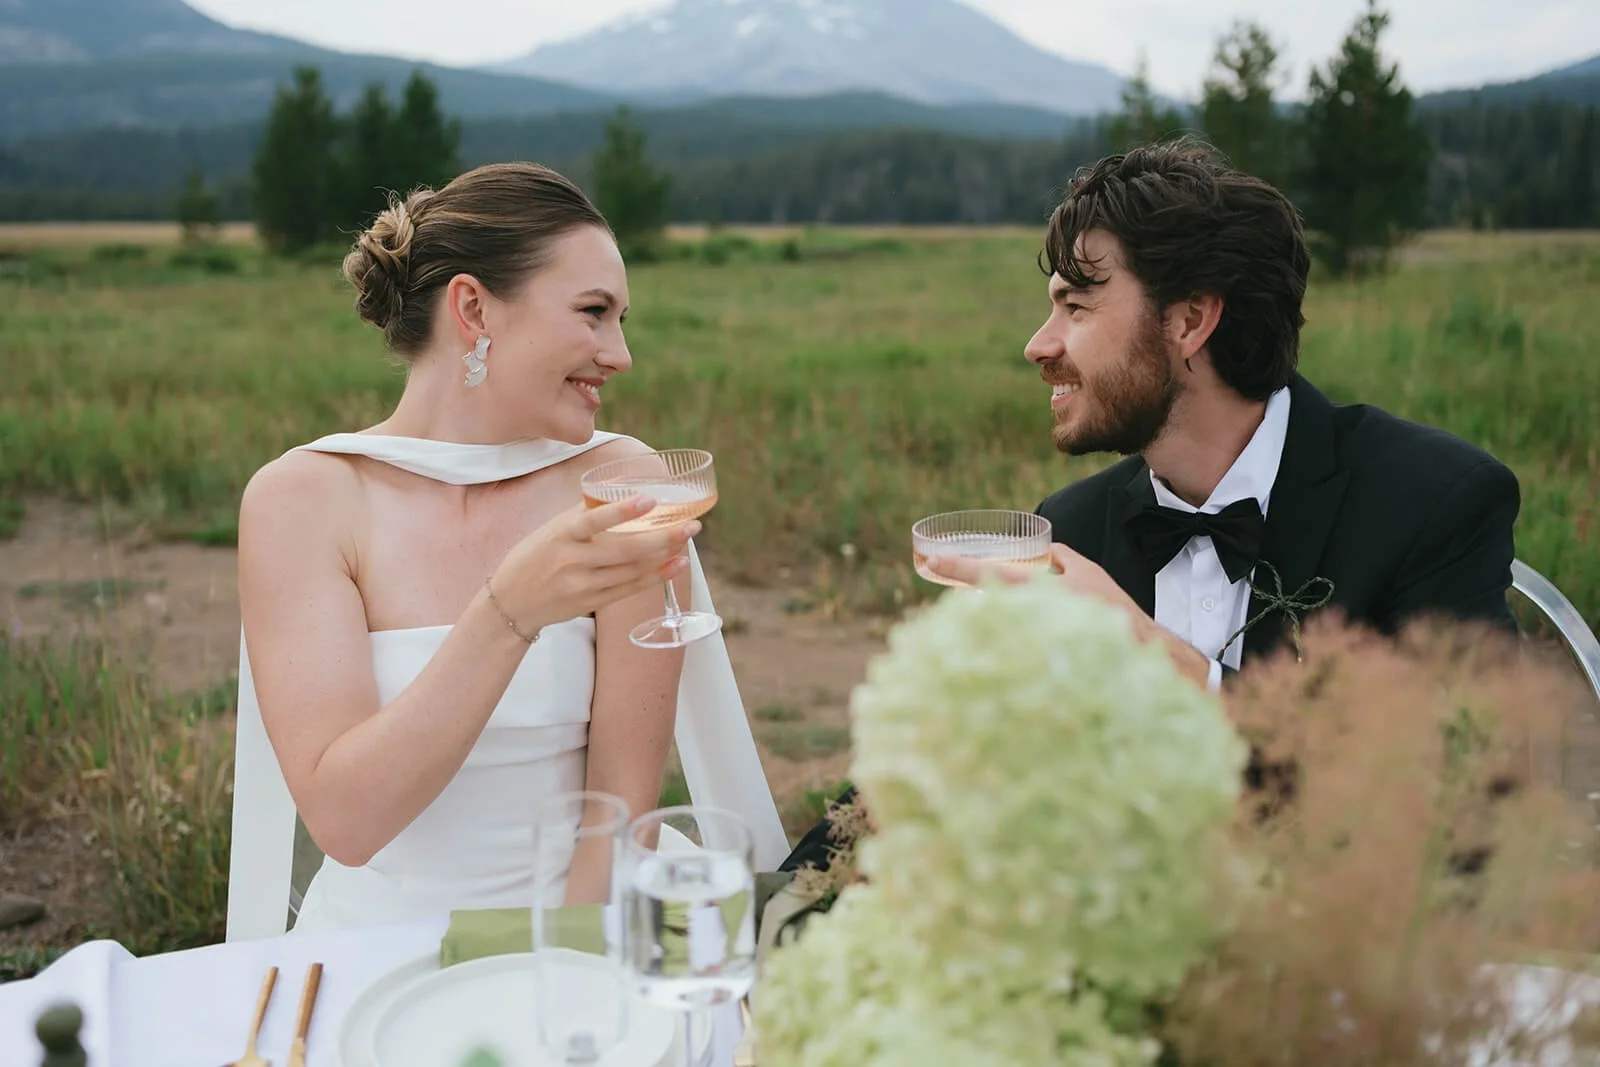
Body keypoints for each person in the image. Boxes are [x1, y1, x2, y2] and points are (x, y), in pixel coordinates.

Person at [784, 140, 1520, 874]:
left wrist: (1159, 663)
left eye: (1077, 304)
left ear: (1189, 321)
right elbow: (912, 782)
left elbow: (1460, 824)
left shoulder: (1434, 501)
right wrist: (771, 909)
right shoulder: (1071, 530)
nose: (1038, 344)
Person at [226, 162, 787, 938]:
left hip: (582, 921)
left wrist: (561, 970)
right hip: (375, 942)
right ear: (472, 308)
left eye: (623, 319)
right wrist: (509, 611)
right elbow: (347, 823)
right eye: (594, 312)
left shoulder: (621, 482)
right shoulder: (304, 499)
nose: (619, 354)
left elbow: (625, 809)